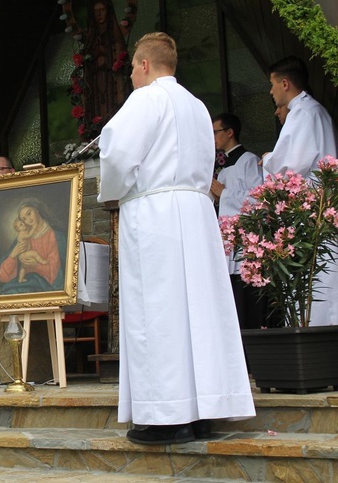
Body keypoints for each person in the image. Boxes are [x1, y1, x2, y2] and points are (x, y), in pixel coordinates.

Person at [96, 32, 255, 445]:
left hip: (156, 215)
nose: (131, 74)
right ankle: (202, 408)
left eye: (132, 66)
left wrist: (114, 189)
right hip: (196, 213)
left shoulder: (147, 99)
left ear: (146, 64)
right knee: (196, 312)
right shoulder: (197, 106)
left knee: (158, 313)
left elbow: (116, 154)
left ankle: (165, 415)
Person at [262, 56, 338, 327]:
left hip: (312, 211)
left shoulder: (303, 113)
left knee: (317, 285)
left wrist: (268, 157)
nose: (271, 92)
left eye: (272, 85)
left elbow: (290, 164)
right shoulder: (314, 111)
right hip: (321, 209)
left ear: (285, 83)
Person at [210, 113, 267, 330]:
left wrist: (224, 194)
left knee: (245, 300)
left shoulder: (249, 161)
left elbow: (258, 199)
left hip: (245, 243)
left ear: (230, 132)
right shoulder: (222, 167)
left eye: (216, 132)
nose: (212, 137)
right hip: (226, 241)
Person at [0, 199, 65, 295]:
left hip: (42, 289)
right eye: (24, 219)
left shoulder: (55, 236)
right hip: (21, 287)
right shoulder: (24, 237)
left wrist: (36, 266)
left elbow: (56, 278)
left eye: (29, 213)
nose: (28, 219)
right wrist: (13, 254)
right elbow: (3, 276)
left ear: (37, 210)